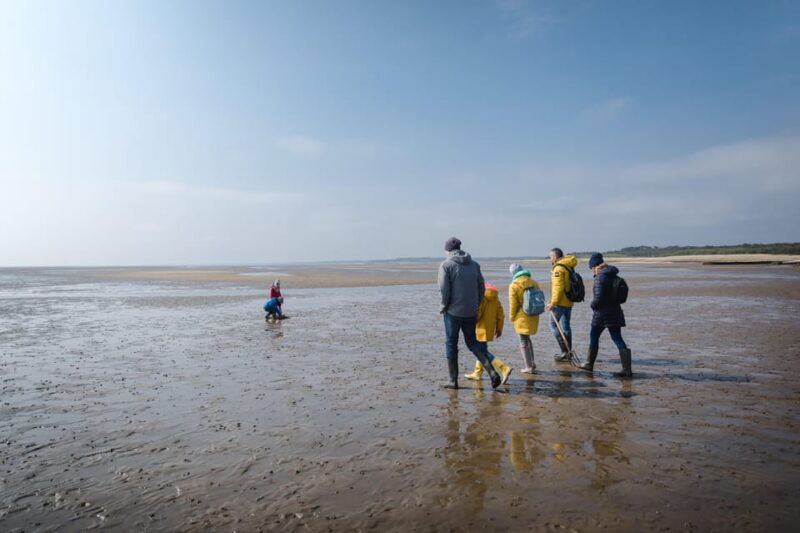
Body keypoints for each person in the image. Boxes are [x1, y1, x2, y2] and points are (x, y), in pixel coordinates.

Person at [438, 237, 502, 390]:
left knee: (451, 343)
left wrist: (444, 306)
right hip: (471, 311)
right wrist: (476, 304)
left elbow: (444, 289)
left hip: (453, 311)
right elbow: (481, 287)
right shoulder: (474, 265)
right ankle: (492, 372)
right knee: (473, 343)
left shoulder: (446, 265)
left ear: (447, 250)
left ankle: (453, 381)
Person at [580, 253, 633, 377]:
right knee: (617, 338)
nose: (591, 270)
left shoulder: (600, 277)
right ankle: (627, 369)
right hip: (615, 311)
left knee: (594, 337)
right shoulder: (613, 274)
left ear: (595, 266)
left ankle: (589, 364)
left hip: (601, 314)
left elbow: (598, 298)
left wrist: (592, 305)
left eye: (591, 268)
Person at [464, 283, 513, 384]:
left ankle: (503, 367)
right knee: (482, 350)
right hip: (489, 329)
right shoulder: (496, 299)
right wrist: (499, 329)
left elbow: (478, 313)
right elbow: (501, 315)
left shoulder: (482, 297)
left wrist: (469, 321)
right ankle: (477, 373)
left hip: (479, 328)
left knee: (481, 352)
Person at [546, 247, 578, 362]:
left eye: (550, 257)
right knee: (566, 326)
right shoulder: (569, 265)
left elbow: (558, 288)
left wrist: (552, 303)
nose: (550, 259)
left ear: (555, 257)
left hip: (560, 303)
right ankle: (568, 351)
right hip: (569, 301)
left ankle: (565, 351)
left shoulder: (558, 268)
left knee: (553, 324)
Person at [508, 263, 541, 373]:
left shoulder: (514, 285)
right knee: (528, 339)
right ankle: (532, 363)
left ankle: (528, 367)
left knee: (523, 340)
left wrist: (512, 317)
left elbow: (513, 304)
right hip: (534, 314)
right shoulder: (534, 282)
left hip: (522, 316)